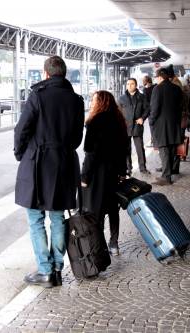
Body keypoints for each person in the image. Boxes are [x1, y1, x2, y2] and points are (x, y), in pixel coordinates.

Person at [14, 56, 84, 288]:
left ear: (46, 73)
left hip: (37, 165)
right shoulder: (76, 100)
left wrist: (20, 153)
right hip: (63, 164)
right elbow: (77, 138)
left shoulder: (38, 95)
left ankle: (44, 270)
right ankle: (56, 269)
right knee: (57, 218)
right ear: (64, 74)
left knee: (35, 218)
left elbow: (22, 128)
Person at [81, 91, 129, 256]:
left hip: (97, 174)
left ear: (101, 102)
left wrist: (85, 176)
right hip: (114, 172)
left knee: (97, 210)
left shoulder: (95, 122)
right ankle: (114, 244)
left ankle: (99, 245)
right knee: (113, 209)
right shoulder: (119, 121)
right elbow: (124, 150)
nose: (92, 103)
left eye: (94, 100)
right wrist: (123, 171)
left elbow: (90, 152)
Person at [149, 67, 183, 185]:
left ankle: (166, 177)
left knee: (164, 150)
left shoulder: (157, 89)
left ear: (159, 77)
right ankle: (169, 171)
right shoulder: (177, 89)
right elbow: (180, 107)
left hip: (161, 125)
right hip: (174, 124)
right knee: (172, 149)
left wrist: (151, 121)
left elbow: (154, 108)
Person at [118, 78, 150, 175]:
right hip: (126, 126)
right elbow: (118, 112)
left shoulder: (142, 97)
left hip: (137, 125)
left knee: (140, 147)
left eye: (132, 84)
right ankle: (128, 168)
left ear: (136, 85)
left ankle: (143, 168)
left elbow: (147, 109)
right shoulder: (121, 98)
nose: (130, 86)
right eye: (128, 84)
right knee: (126, 148)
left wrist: (142, 118)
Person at [142, 75, 156, 148]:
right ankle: (154, 140)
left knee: (152, 126)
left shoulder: (145, 90)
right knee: (156, 126)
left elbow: (145, 101)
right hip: (156, 109)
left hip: (150, 111)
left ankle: (154, 142)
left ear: (145, 81)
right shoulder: (155, 87)